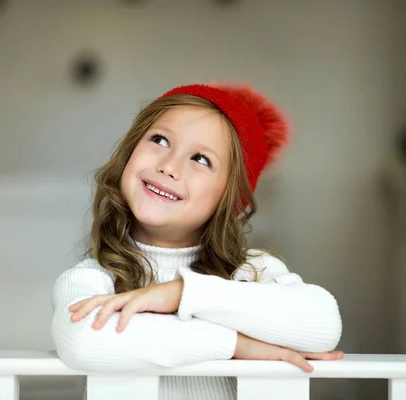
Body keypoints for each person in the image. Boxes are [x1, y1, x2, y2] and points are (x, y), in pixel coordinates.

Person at [51, 83, 343, 400]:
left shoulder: (252, 272)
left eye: (201, 159)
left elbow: (323, 325)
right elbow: (83, 341)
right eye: (160, 140)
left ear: (230, 198)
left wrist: (182, 294)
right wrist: (236, 345)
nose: (169, 166)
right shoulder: (95, 276)